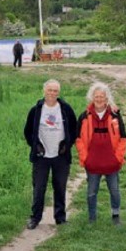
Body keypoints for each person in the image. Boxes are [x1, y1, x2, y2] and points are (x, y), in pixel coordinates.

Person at [24, 79, 78, 229]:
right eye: (50, 90)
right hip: (41, 157)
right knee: (39, 188)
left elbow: (74, 130)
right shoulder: (36, 110)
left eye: (55, 91)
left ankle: (60, 218)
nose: (52, 93)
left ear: (58, 92)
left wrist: (66, 145)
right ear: (44, 91)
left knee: (60, 187)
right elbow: (28, 131)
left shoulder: (66, 109)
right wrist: (36, 146)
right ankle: (35, 218)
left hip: (60, 156)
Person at [76, 82, 126, 225]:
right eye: (96, 96)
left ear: (107, 99)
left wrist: (118, 158)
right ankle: (92, 218)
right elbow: (78, 139)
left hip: (112, 162)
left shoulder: (115, 115)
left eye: (102, 96)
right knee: (91, 192)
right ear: (92, 98)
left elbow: (123, 138)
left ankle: (116, 215)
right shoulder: (84, 116)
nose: (99, 99)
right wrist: (84, 158)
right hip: (92, 163)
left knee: (115, 191)